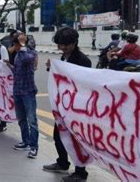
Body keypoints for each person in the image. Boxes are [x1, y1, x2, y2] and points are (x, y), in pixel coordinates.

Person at [44, 27, 91, 182]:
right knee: (59, 135)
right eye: (60, 45)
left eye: (65, 44)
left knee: (77, 139)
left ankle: (80, 173)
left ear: (74, 43)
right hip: (63, 106)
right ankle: (62, 162)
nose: (62, 47)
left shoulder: (83, 60)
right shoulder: (63, 58)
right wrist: (52, 69)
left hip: (77, 107)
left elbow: (85, 84)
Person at [11, 33, 39, 159]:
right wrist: (8, 65)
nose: (14, 47)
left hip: (28, 92)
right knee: (21, 119)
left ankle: (34, 147)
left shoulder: (31, 53)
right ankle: (25, 141)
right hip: (17, 91)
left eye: (16, 44)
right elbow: (18, 71)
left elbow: (28, 60)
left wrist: (23, 45)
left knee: (32, 121)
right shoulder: (17, 55)